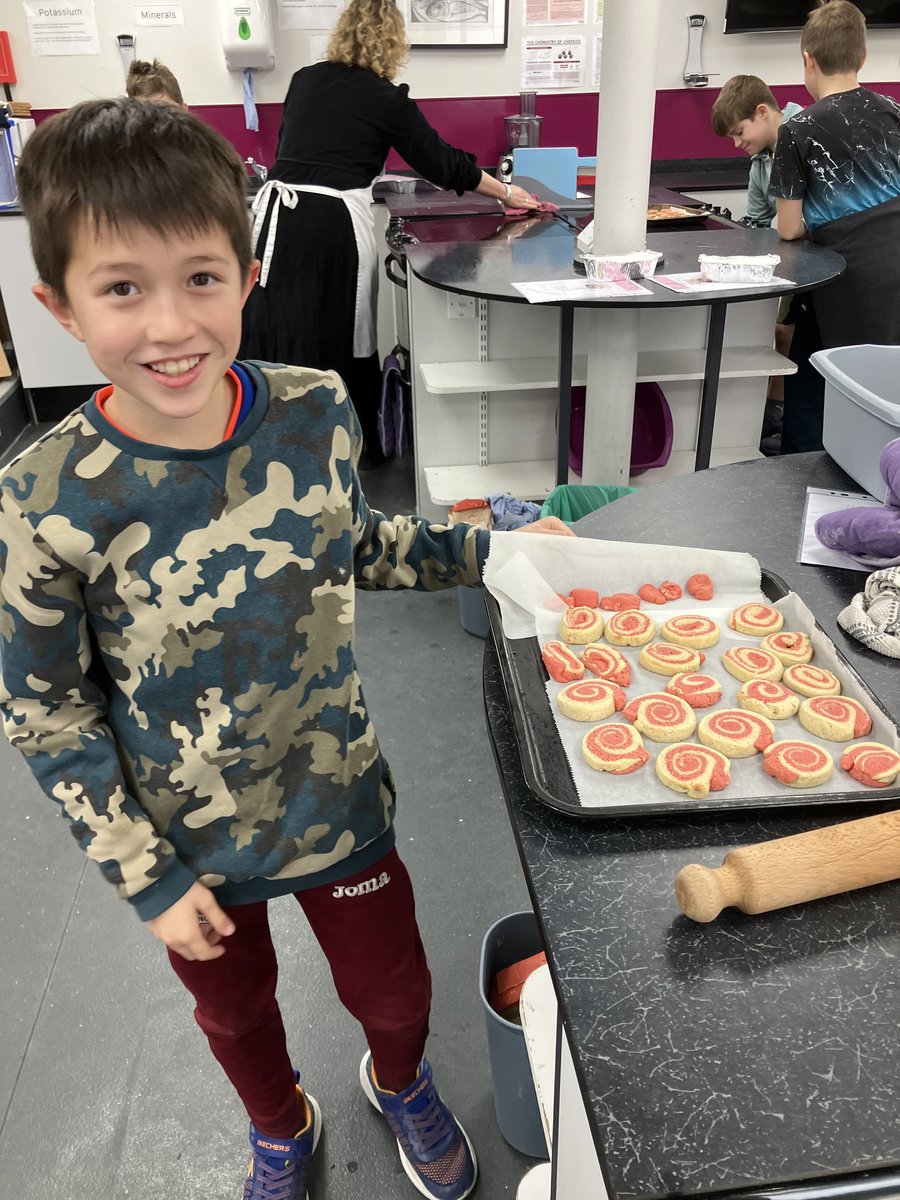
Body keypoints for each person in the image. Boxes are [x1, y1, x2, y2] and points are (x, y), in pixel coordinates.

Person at [6, 98, 571, 1200]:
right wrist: (145, 877)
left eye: (200, 278)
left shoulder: (313, 411)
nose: (171, 324)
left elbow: (351, 544)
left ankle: (400, 1081)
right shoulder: (39, 498)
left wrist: (492, 545)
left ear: (246, 273)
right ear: (60, 304)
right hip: (186, 836)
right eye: (123, 287)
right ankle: (279, 1123)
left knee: (397, 991)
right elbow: (46, 711)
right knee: (233, 1010)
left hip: (335, 795)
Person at [239, 0, 539, 468]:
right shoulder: (386, 98)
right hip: (332, 221)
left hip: (274, 216)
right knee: (339, 333)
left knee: (273, 323)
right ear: (394, 41)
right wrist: (505, 192)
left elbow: (293, 150)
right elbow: (440, 161)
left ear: (343, 31)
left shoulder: (304, 79)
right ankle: (340, 450)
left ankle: (267, 444)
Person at [770, 0, 900, 451]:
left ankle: (807, 473)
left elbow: (788, 228)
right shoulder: (892, 111)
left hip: (845, 280)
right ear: (863, 57)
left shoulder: (797, 128)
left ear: (807, 59)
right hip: (896, 270)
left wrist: (822, 217)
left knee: (823, 381)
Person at [710, 75, 803, 228]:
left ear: (762, 112)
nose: (736, 143)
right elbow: (757, 224)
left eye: (739, 132)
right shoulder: (759, 164)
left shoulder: (807, 139)